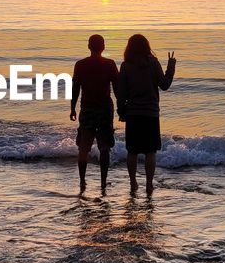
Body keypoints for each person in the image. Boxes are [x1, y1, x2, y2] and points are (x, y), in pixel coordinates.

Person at [116, 33, 175, 195]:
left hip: (133, 113)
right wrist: (171, 66)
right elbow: (164, 85)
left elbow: (121, 92)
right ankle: (149, 184)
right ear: (146, 46)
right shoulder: (153, 63)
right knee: (150, 151)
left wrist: (121, 111)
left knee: (132, 151)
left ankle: (133, 182)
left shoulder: (126, 66)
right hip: (151, 113)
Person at [69, 33, 120, 194]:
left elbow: (75, 88)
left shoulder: (80, 64)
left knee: (84, 147)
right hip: (105, 109)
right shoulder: (110, 64)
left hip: (87, 109)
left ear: (89, 46)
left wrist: (72, 108)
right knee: (105, 147)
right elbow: (117, 89)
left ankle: (82, 180)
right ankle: (103, 182)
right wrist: (121, 107)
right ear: (103, 47)